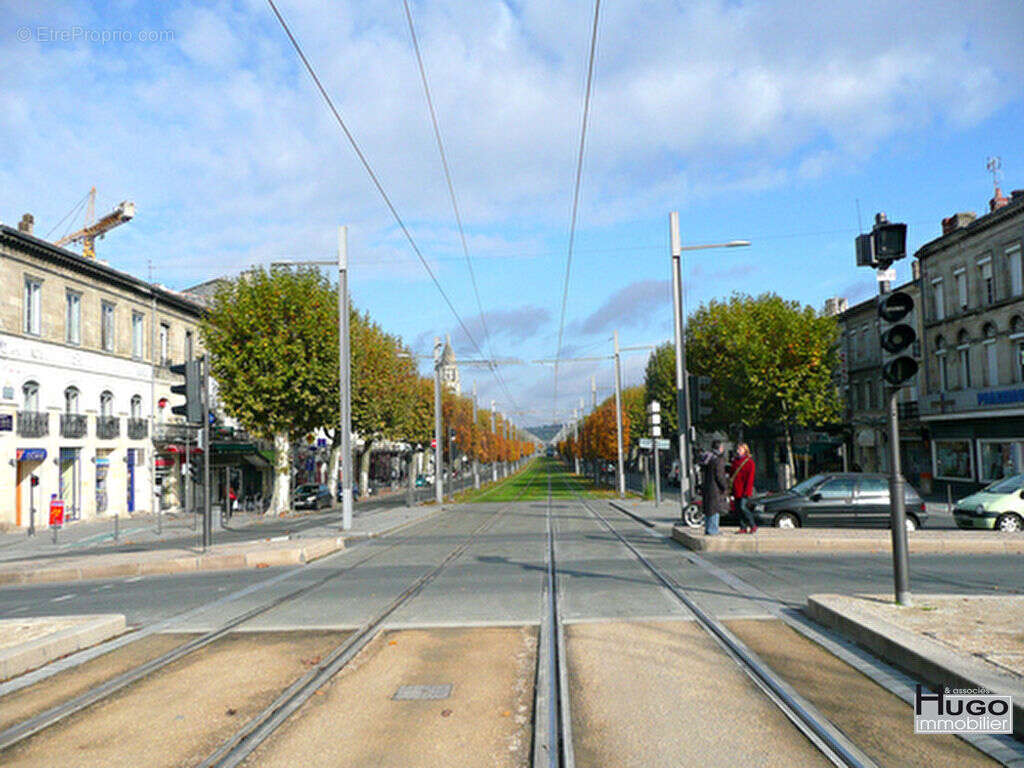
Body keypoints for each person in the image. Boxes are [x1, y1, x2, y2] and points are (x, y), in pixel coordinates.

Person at [700, 440, 729, 535]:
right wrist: (725, 486)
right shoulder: (718, 460)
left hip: (707, 486)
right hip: (715, 488)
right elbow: (719, 475)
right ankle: (713, 529)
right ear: (720, 448)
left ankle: (709, 528)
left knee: (709, 509)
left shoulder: (708, 457)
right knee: (715, 509)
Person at [730, 443, 757, 533]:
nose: (738, 451)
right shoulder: (734, 461)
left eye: (740, 450)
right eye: (738, 449)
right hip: (736, 489)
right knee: (738, 509)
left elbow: (750, 478)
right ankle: (743, 527)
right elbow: (731, 475)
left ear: (745, 451)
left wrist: (747, 491)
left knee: (743, 507)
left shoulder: (749, 462)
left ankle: (752, 524)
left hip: (744, 490)